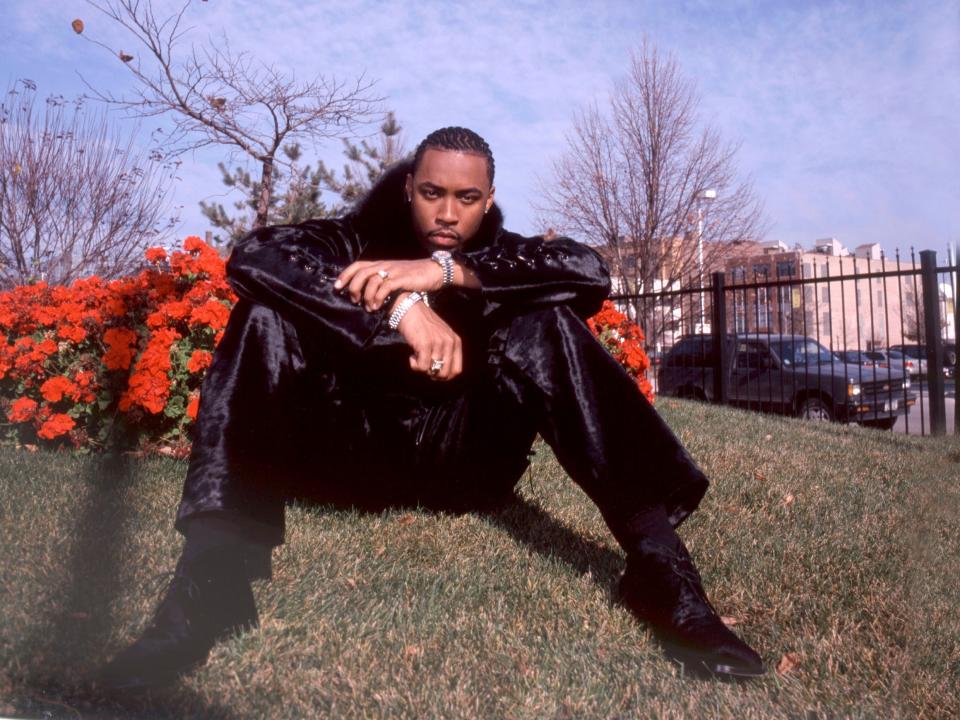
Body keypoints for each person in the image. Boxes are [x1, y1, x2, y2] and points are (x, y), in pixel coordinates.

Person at [99, 127, 763, 689]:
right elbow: (257, 256)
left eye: (467, 199)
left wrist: (445, 275)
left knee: (549, 323)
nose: (448, 214)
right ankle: (212, 579)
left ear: (488, 201)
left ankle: (659, 568)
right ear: (409, 186)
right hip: (351, 454)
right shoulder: (350, 241)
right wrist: (401, 304)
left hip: (463, 459)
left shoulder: (500, 255)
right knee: (264, 315)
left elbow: (586, 270)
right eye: (434, 194)